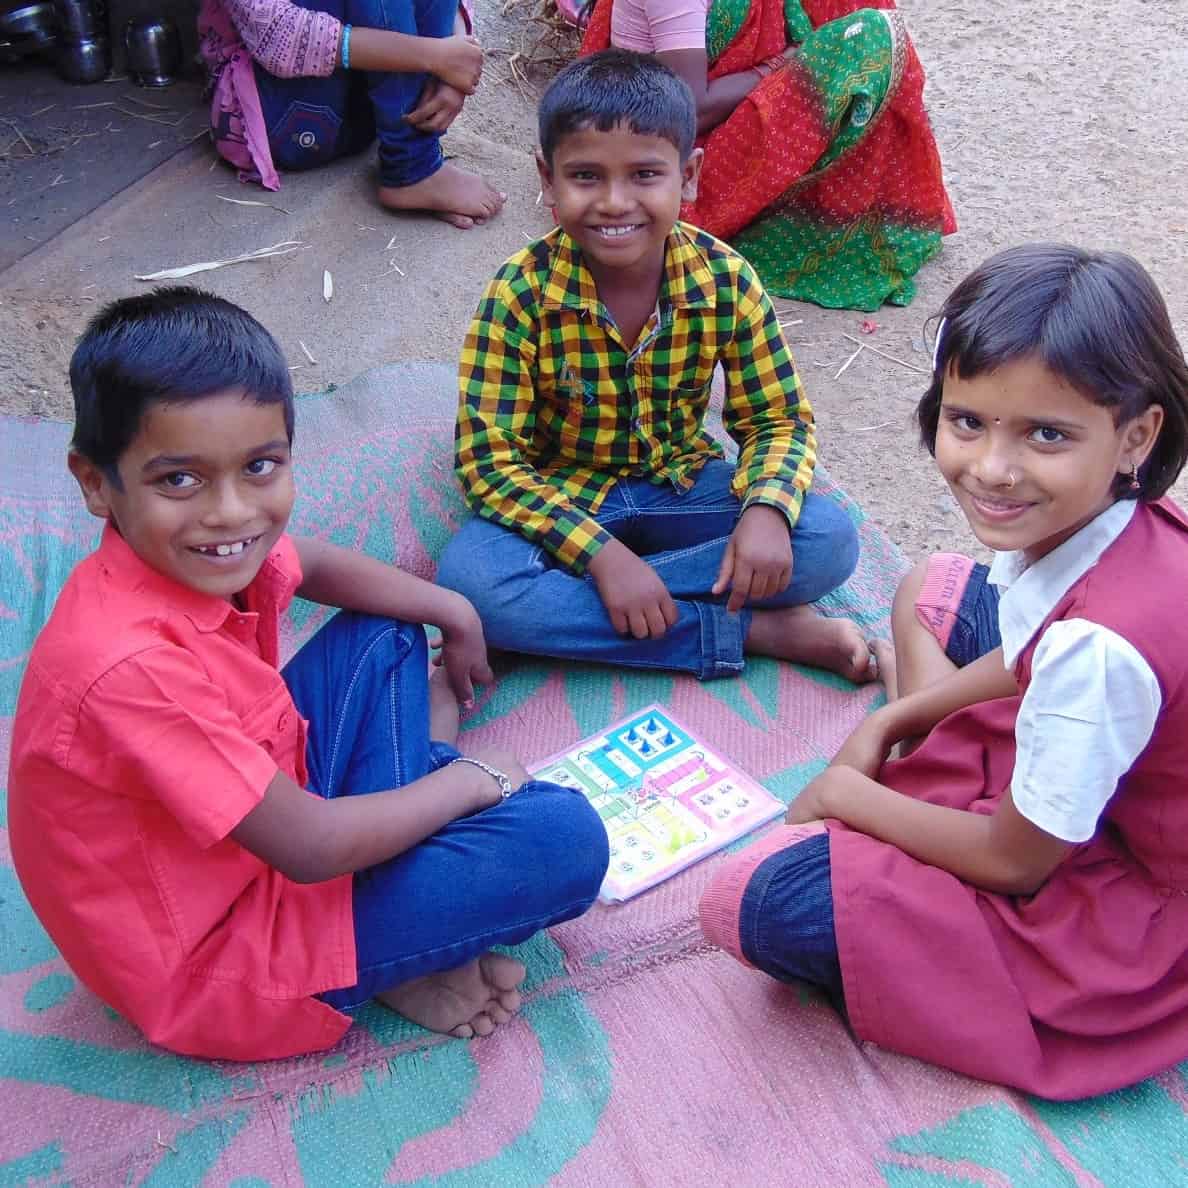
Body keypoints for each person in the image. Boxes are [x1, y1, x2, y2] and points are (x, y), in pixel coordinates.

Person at [6, 288, 608, 1062]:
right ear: (96, 483)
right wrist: (477, 779)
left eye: (259, 467)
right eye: (179, 480)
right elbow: (311, 848)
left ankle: (403, 906)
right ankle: (393, 954)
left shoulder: (198, 559)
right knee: (562, 837)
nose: (231, 513)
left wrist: (454, 609)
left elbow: (311, 563)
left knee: (385, 627)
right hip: (227, 964)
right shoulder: (128, 665)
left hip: (267, 831)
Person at [699, 243, 1188, 1100]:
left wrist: (847, 794)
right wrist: (892, 721)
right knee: (933, 587)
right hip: (1102, 749)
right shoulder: (1111, 525)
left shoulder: (1098, 651)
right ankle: (934, 761)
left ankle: (933, 815)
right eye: (968, 422)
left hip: (1132, 903)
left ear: (1135, 437)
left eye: (1046, 434)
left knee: (755, 900)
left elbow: (1016, 862)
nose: (992, 469)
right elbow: (1031, 647)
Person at [436, 50, 873, 685]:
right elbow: (488, 462)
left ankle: (562, 617)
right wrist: (603, 558)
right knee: (474, 581)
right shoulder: (518, 295)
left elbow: (777, 420)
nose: (615, 202)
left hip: (683, 487)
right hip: (565, 497)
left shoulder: (726, 281)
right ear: (547, 179)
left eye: (645, 174)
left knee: (827, 539)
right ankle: (749, 630)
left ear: (688, 176)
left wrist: (766, 511)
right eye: (586, 176)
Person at [577, 0, 956, 311]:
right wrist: (776, 67)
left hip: (709, 128)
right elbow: (688, 108)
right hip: (676, 157)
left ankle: (845, 207)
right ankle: (755, 220)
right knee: (867, 37)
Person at [198, 0, 506, 228]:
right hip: (282, 119)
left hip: (370, 108)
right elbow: (278, 36)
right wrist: (434, 57)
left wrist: (456, 59)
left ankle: (415, 155)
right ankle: (413, 165)